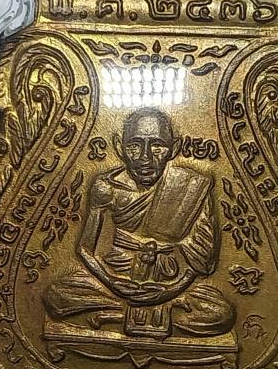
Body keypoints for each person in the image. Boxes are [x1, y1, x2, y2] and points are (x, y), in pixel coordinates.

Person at [43, 108, 235, 339]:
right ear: (119, 147)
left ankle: (120, 314)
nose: (145, 157)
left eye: (157, 145)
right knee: (56, 296)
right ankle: (136, 311)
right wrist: (113, 282)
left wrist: (169, 291)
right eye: (134, 145)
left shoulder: (193, 186)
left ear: (174, 148)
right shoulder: (106, 187)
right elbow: (85, 248)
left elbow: (202, 261)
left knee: (221, 314)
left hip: (172, 282)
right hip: (116, 277)